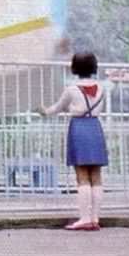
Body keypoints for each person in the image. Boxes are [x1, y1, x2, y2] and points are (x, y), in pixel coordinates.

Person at [38, 52, 108, 231]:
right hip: (95, 127)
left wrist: (44, 111)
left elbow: (56, 108)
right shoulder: (101, 87)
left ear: (74, 68)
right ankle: (95, 218)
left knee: (82, 174)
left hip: (78, 128)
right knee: (96, 175)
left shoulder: (71, 89)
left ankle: (84, 218)